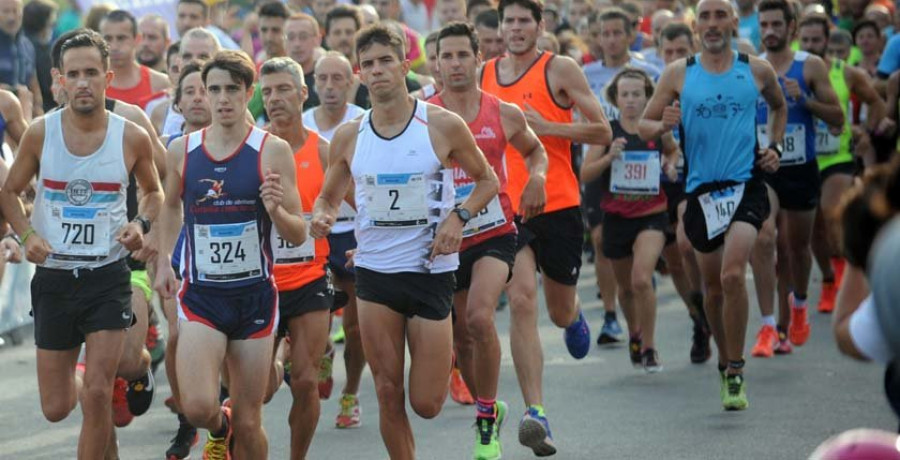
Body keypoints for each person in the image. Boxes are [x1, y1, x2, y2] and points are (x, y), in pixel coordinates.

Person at [311, 24, 499, 459]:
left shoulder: (441, 124)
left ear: (403, 65)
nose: (377, 71)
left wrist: (458, 217)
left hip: (430, 271)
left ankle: (473, 393)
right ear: (360, 72)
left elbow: (486, 181)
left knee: (426, 404)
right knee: (387, 389)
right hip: (376, 273)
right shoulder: (348, 136)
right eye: (369, 64)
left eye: (385, 61)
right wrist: (321, 214)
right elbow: (327, 195)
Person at [0, 29, 162, 459]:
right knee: (56, 408)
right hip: (54, 279)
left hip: (107, 276)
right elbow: (8, 191)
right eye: (74, 74)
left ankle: (118, 377)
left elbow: (154, 190)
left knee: (97, 394)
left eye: (92, 72)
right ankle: (123, 381)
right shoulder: (39, 133)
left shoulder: (131, 136)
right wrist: (27, 233)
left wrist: (140, 222)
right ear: (59, 79)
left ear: (108, 77)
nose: (84, 82)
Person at [153, 50, 307, 459]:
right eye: (214, 89)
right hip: (202, 295)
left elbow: (298, 232)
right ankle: (217, 429)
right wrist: (166, 260)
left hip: (254, 296)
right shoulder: (182, 151)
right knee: (199, 406)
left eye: (232, 90)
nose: (221, 99)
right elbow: (169, 206)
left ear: (248, 93)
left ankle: (234, 428)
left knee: (250, 420)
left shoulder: (271, 151)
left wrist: (276, 210)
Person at [640, 0, 784, 410]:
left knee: (734, 273)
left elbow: (778, 106)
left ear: (735, 22)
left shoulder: (755, 69)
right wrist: (663, 125)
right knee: (715, 290)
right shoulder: (678, 73)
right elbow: (644, 125)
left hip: (746, 185)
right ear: (696, 24)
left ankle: (736, 369)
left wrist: (773, 146)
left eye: (721, 15)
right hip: (701, 192)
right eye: (706, 16)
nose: (713, 23)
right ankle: (725, 360)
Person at [481, 0, 611, 453]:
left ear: (540, 25)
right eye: (508, 22)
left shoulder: (560, 69)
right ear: (499, 28)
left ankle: (572, 314)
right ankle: (536, 412)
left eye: (523, 21)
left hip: (557, 203)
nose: (515, 29)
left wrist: (546, 128)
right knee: (519, 299)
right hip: (506, 209)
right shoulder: (484, 75)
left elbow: (601, 132)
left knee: (556, 310)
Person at [428, 21, 548, 460]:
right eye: (447, 56)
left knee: (480, 317)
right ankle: (490, 406)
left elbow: (536, 151)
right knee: (462, 337)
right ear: (436, 64)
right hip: (447, 237)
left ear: (479, 59)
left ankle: (482, 422)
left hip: (494, 230)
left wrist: (536, 178)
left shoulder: (502, 112)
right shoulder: (424, 114)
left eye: (463, 54)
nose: (455, 63)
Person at [749, 0, 844, 359]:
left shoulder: (811, 65)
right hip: (764, 167)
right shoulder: (751, 68)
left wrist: (803, 100)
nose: (769, 30)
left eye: (776, 24)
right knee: (764, 236)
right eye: (764, 24)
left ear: (791, 27)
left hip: (801, 167)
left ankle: (800, 303)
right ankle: (769, 324)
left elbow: (837, 118)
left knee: (797, 249)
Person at [582, 68, 680, 372]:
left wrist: (670, 164)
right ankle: (634, 332)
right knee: (625, 289)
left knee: (641, 279)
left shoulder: (654, 129)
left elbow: (673, 152)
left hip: (651, 216)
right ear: (615, 98)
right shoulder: (607, 131)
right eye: (625, 94)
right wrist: (609, 157)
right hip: (616, 217)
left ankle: (650, 347)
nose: (631, 100)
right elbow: (585, 174)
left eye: (637, 94)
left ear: (647, 96)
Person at [259, 56, 332, 460]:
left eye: (284, 89)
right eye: (267, 92)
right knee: (262, 392)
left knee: (305, 382)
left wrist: (328, 215)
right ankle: (281, 351)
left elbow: (357, 204)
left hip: (309, 277)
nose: (275, 99)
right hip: (262, 283)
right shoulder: (253, 148)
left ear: (303, 93)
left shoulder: (324, 150)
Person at [796, 14, 893, 316]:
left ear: (828, 40)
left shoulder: (845, 72)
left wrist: (868, 132)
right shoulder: (790, 71)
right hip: (804, 158)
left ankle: (843, 270)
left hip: (837, 156)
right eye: (806, 40)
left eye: (816, 40)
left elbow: (876, 101)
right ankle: (827, 277)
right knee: (813, 228)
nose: (811, 46)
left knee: (831, 211)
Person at [156, 60, 211, 460]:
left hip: (231, 263)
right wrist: (159, 256)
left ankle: (221, 412)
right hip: (179, 254)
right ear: (177, 103)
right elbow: (160, 204)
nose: (198, 97)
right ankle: (186, 421)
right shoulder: (170, 149)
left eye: (205, 89)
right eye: (189, 91)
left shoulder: (249, 143)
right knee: (177, 335)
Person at [656, 22, 711, 364]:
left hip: (695, 173)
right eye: (668, 51)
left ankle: (707, 302)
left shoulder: (703, 79)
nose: (674, 57)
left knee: (688, 241)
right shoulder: (653, 81)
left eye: (681, 51)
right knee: (674, 257)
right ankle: (698, 318)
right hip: (657, 177)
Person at [100, 10, 171, 109]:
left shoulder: (160, 83)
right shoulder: (94, 83)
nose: (114, 46)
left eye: (121, 38)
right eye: (108, 39)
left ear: (137, 39)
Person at [303, 52, 365, 141]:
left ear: (350, 81)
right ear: (315, 81)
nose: (329, 86)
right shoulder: (303, 124)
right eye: (323, 78)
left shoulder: (363, 123)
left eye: (337, 78)